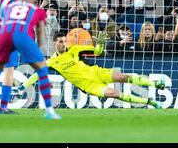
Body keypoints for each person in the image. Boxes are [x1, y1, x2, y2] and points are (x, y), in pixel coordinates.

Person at [14, 31, 165, 108]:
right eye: (60, 41)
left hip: (96, 72)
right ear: (55, 43)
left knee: (122, 77)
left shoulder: (75, 49)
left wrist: (99, 44)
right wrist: (22, 86)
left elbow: (97, 51)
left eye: (65, 41)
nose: (63, 43)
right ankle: (150, 102)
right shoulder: (52, 61)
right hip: (89, 85)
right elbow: (37, 75)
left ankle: (155, 84)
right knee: (114, 94)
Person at [0, 0, 60, 120]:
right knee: (42, 70)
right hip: (22, 35)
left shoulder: (7, 8)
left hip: (3, 36)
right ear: (32, 0)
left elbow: (0, 23)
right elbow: (40, 32)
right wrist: (38, 52)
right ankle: (49, 111)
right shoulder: (38, 10)